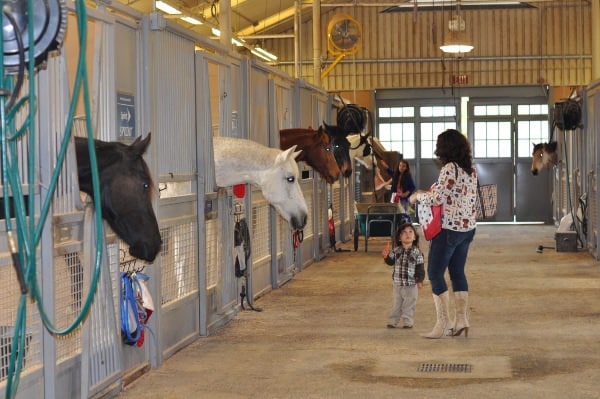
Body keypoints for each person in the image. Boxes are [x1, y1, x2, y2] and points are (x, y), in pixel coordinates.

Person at [409, 128, 478, 339]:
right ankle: (461, 321)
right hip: (467, 229)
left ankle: (443, 324)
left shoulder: (450, 168)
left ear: (445, 148)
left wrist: (418, 196)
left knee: (435, 273)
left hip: (448, 230)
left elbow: (437, 198)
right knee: (457, 272)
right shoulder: (471, 170)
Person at [381, 222, 425, 329]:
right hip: (397, 284)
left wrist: (419, 280)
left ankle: (408, 321)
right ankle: (393, 320)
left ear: (414, 237)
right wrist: (386, 257)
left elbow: (420, 268)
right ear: (399, 238)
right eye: (404, 232)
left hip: (411, 284)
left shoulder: (417, 253)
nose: (408, 234)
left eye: (410, 232)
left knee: (409, 304)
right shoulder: (396, 251)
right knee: (397, 303)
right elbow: (390, 262)